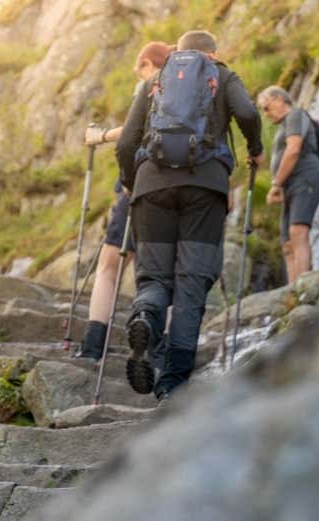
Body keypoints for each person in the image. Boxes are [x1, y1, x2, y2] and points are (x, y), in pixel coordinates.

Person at [117, 30, 263, 400]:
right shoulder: (222, 74)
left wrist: (132, 183)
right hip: (204, 186)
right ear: (213, 53)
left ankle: (145, 318)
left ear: (176, 52)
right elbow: (247, 113)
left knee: (154, 277)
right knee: (191, 282)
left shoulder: (154, 81)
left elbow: (126, 142)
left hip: (151, 185)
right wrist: (255, 148)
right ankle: (172, 382)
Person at [75, 41, 174, 362]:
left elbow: (132, 132)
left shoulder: (149, 86)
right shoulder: (193, 91)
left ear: (147, 63)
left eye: (138, 66)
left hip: (140, 184)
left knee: (109, 266)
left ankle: (93, 347)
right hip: (179, 189)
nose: (137, 73)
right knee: (165, 272)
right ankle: (163, 351)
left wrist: (100, 136)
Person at [257, 85, 319, 283]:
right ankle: (292, 289)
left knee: (298, 231)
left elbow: (294, 150)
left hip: (305, 177)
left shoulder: (295, 115)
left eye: (267, 108)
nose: (266, 114)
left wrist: (276, 183)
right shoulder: (285, 124)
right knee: (287, 244)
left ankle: (303, 286)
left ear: (279, 99)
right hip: (291, 184)